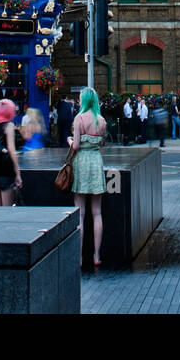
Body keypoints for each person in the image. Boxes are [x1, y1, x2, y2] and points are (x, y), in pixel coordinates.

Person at [68, 87, 107, 268]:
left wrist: (69, 141)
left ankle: (79, 257)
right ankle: (96, 255)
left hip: (82, 162)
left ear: (84, 100)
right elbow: (102, 145)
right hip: (95, 162)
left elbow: (75, 146)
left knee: (80, 213)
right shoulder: (101, 121)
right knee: (97, 213)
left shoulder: (79, 119)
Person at [0, 98, 22, 206]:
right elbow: (11, 150)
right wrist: (18, 173)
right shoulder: (9, 126)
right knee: (6, 212)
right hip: (6, 172)